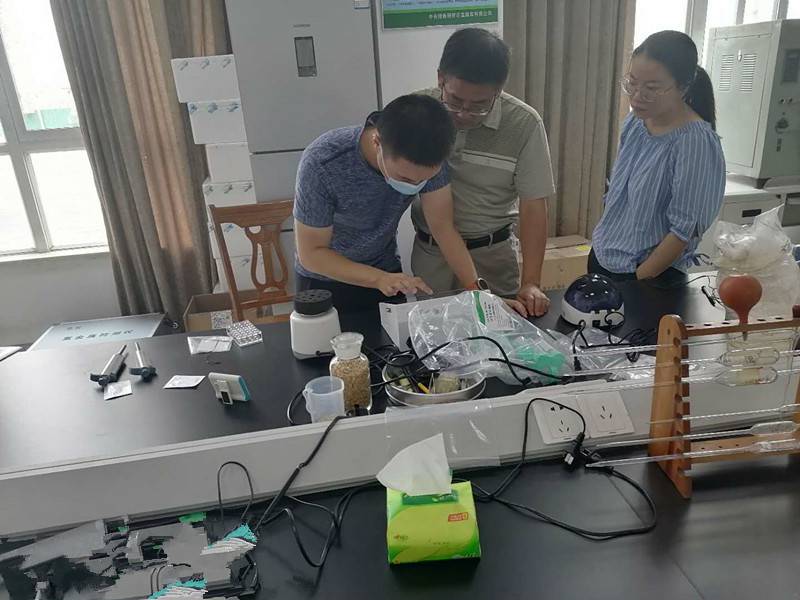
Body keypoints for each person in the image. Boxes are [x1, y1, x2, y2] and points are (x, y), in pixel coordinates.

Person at [412, 28, 556, 317]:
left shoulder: (524, 124)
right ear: (441, 78)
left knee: (499, 338)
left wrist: (531, 282)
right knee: (433, 337)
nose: (464, 114)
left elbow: (533, 207)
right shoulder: (416, 112)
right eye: (454, 101)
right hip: (432, 256)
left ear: (498, 91)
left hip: (492, 257)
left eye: (479, 105)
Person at [293, 94, 483, 312]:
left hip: (385, 271)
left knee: (392, 335)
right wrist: (377, 278)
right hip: (324, 279)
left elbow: (442, 228)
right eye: (405, 178)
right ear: (377, 142)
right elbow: (312, 253)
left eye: (424, 180)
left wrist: (477, 292)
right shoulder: (324, 162)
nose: (415, 184)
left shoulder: (430, 156)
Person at [590, 31, 726, 284]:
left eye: (651, 88)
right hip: (604, 256)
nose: (636, 96)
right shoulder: (635, 122)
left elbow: (683, 231)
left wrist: (637, 281)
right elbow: (620, 196)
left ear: (683, 87)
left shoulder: (694, 142)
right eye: (632, 83)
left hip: (647, 275)